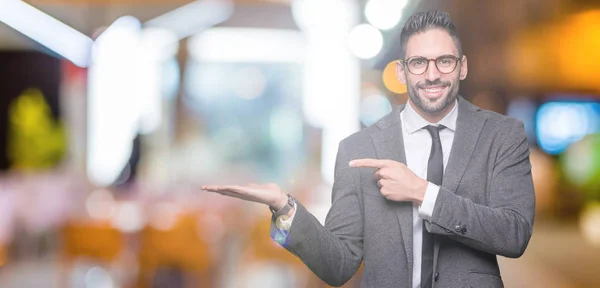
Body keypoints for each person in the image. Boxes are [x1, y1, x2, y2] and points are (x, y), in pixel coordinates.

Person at [202, 10, 535, 288]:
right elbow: (338, 265)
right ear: (402, 72)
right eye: (419, 63)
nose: (432, 74)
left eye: (444, 61)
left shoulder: (502, 135)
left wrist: (423, 193)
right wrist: (285, 207)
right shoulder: (358, 149)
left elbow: (514, 234)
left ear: (462, 66)